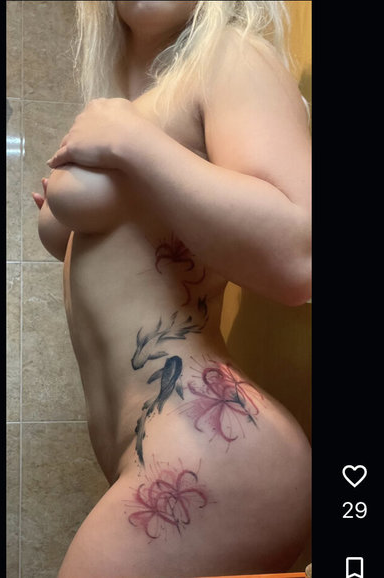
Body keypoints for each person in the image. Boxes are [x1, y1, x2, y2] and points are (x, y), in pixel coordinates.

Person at [32, 2, 312, 576]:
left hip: (213, 448)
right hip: (167, 451)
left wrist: (133, 142)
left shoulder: (229, 55)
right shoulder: (135, 101)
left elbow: (300, 258)